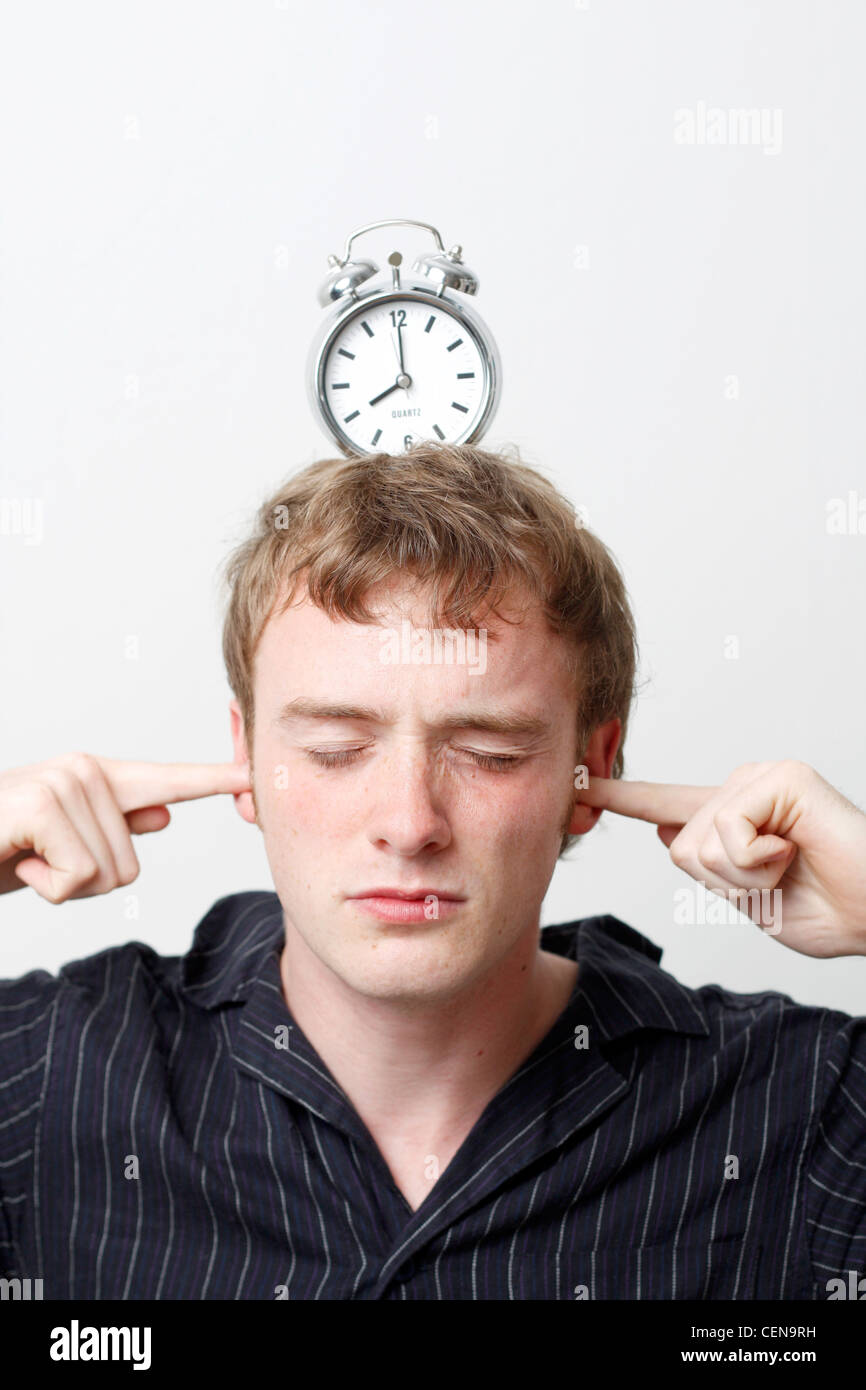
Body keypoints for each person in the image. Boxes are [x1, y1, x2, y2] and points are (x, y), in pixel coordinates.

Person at [1, 441, 864, 1301]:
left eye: (490, 752)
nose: (410, 824)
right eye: (336, 750)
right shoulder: (51, 1074)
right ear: (248, 758)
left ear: (590, 770)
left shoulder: (804, 1108)